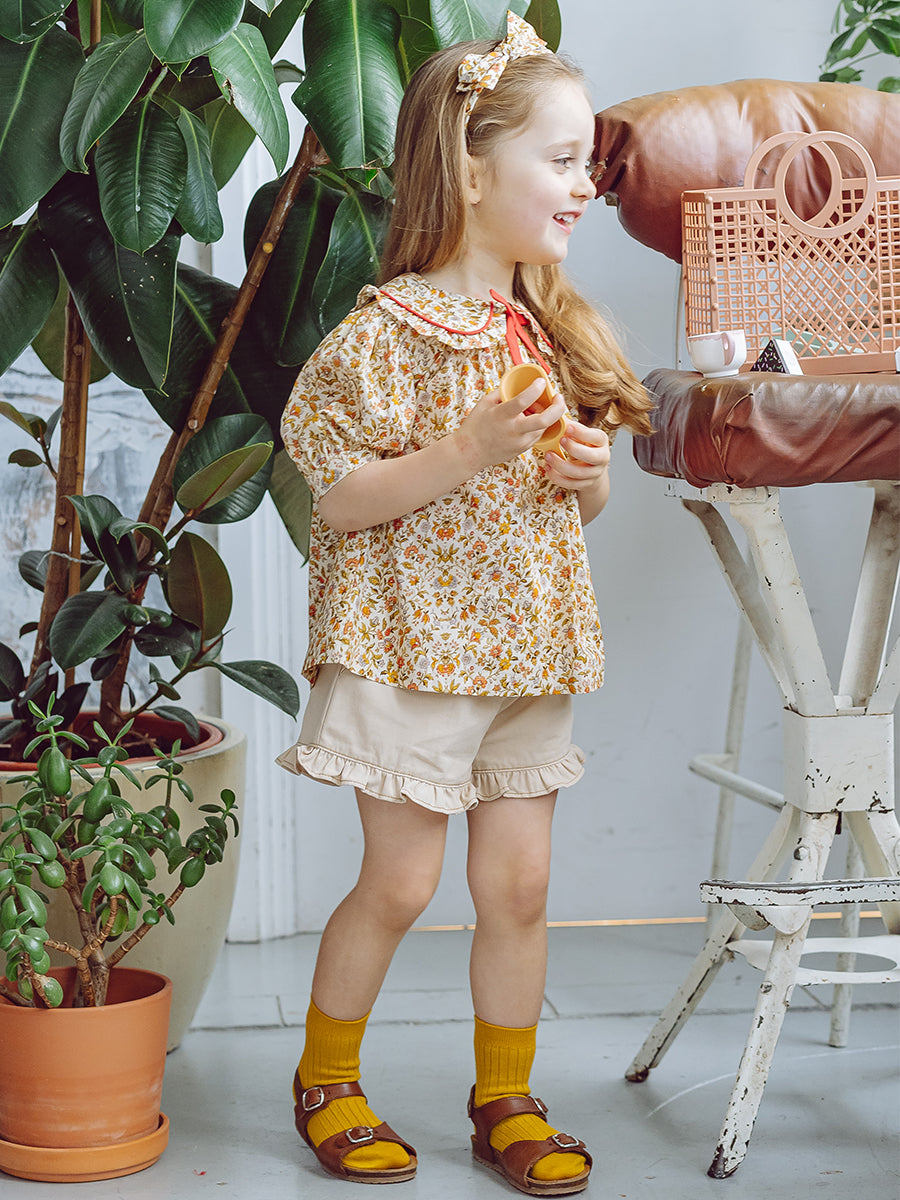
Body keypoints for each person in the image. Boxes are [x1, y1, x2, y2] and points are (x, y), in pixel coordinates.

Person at [276, 11, 654, 1194]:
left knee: (520, 887)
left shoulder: (542, 326)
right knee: (400, 883)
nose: (585, 184)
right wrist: (470, 447)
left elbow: (561, 513)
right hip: (411, 650)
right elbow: (339, 499)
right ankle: (326, 1080)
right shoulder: (385, 336)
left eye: (588, 163)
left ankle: (506, 1097)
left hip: (523, 649)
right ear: (471, 172)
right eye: (562, 159)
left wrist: (586, 481)